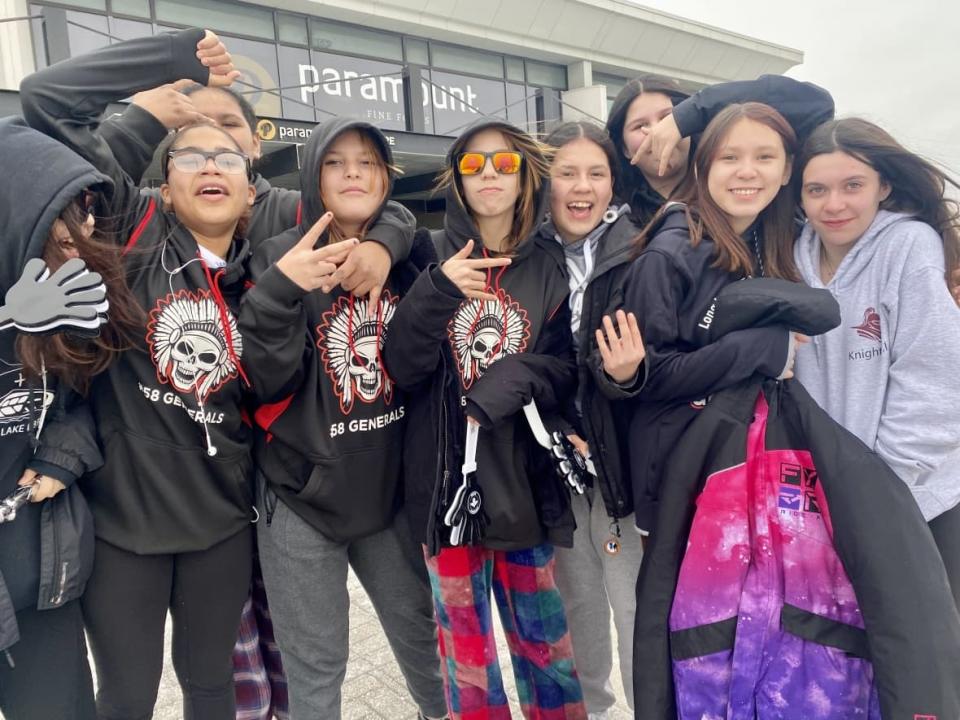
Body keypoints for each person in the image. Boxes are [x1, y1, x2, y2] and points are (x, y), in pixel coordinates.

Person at [19, 28, 268, 719]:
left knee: (211, 687)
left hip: (221, 525)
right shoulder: (133, 231)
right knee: (127, 696)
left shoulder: (271, 262)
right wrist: (170, 69)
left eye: (228, 152)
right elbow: (46, 101)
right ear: (165, 180)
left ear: (252, 184)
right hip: (124, 527)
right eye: (192, 153)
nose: (211, 162)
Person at [236, 117, 448, 720]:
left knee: (422, 638)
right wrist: (278, 293)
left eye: (368, 161)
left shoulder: (412, 252)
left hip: (389, 489)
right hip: (302, 491)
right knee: (316, 663)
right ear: (312, 175)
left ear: (387, 177)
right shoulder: (278, 256)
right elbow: (265, 380)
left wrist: (386, 241)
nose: (353, 172)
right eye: (335, 161)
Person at [383, 119, 586, 720]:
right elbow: (402, 365)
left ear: (524, 176)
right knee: (467, 659)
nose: (489, 175)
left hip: (524, 481)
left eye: (503, 163)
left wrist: (517, 375)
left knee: (545, 648)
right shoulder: (426, 252)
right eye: (473, 166)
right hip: (449, 488)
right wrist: (436, 291)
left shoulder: (549, 263)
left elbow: (565, 367)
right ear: (457, 179)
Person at [0, 117, 141, 720]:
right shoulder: (25, 304)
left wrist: (60, 456)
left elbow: (80, 401)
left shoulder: (63, 295)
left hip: (34, 565)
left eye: (88, 207)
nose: (84, 223)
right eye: (68, 206)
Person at [790, 117, 960, 607]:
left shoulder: (910, 247)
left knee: (923, 667)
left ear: (883, 185)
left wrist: (879, 493)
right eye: (816, 189)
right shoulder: (790, 260)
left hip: (916, 502)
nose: (834, 204)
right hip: (826, 506)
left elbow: (936, 384)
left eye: (852, 186)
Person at [622, 102, 804, 534]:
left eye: (764, 157)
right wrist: (763, 347)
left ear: (787, 169)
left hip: (752, 462)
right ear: (702, 168)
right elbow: (652, 376)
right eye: (729, 157)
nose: (747, 171)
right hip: (680, 474)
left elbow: (815, 103)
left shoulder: (777, 239)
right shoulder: (669, 254)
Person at [539, 121, 646, 720]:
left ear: (614, 182)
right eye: (566, 172)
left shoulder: (640, 247)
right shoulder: (526, 252)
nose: (582, 188)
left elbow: (663, 361)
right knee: (576, 609)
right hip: (558, 467)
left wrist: (627, 376)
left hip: (621, 466)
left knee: (632, 607)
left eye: (596, 173)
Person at [606, 74, 834, 225]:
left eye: (666, 118)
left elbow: (817, 105)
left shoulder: (735, 181)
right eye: (640, 126)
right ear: (624, 148)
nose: (656, 132)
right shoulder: (618, 212)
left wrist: (691, 113)